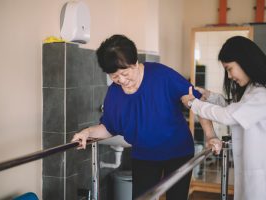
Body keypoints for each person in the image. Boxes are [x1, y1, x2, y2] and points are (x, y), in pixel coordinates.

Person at [72, 34, 222, 199]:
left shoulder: (162, 76)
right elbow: (109, 127)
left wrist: (210, 135)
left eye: (124, 73)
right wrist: (87, 132)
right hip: (144, 156)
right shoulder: (114, 94)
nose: (121, 80)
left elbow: (196, 102)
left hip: (178, 152)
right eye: (114, 77)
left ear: (135, 63)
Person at [181, 36, 266, 200]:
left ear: (245, 62)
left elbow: (230, 115)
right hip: (259, 172)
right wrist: (210, 96)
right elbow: (236, 107)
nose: (229, 75)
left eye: (229, 68)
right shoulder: (255, 89)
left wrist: (194, 104)